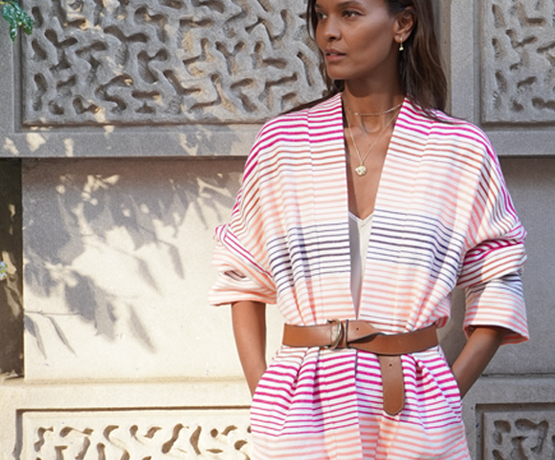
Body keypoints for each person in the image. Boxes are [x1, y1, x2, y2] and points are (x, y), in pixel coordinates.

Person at [209, 0, 528, 458]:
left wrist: (444, 395)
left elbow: (498, 282)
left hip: (414, 411)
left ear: (402, 23)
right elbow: (242, 273)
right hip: (299, 413)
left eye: (350, 13)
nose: (328, 33)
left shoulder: (458, 150)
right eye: (320, 16)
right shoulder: (283, 143)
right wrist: (266, 397)